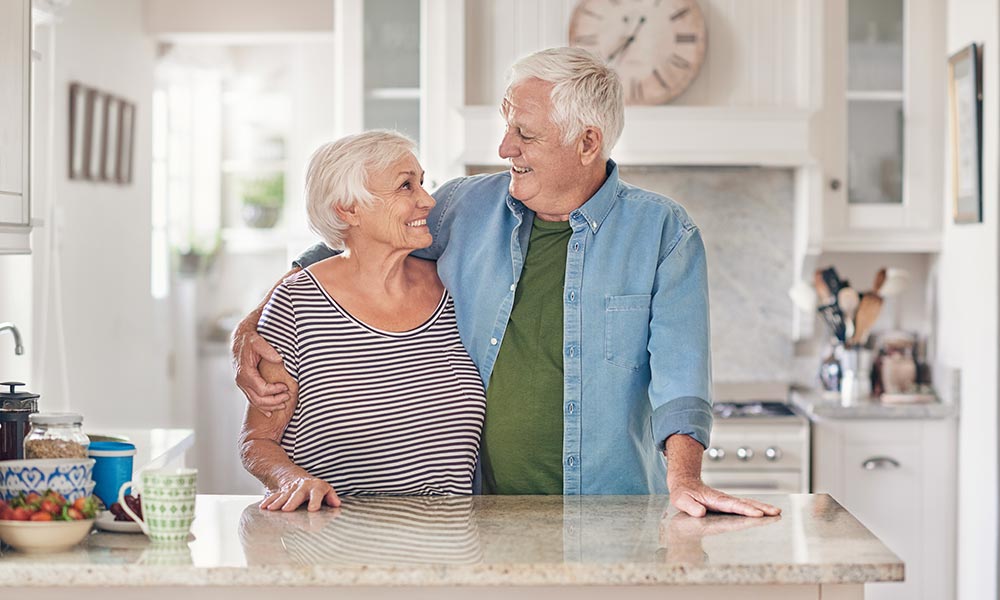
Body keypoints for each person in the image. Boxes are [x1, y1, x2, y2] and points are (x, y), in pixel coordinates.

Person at [233, 47, 779, 518]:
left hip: (609, 513)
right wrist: (251, 326)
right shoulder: (463, 207)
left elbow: (681, 375)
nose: (503, 148)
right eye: (506, 125)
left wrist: (684, 479)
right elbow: (348, 247)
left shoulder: (663, 231)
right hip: (480, 517)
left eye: (525, 133)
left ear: (588, 143)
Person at [239, 131, 486, 512]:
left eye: (422, 182)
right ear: (349, 209)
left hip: (450, 547)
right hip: (330, 546)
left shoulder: (454, 287)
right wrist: (292, 478)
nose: (427, 200)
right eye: (406, 186)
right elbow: (257, 440)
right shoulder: (297, 305)